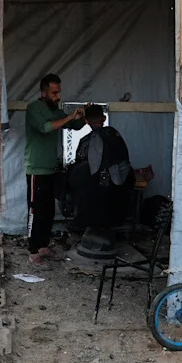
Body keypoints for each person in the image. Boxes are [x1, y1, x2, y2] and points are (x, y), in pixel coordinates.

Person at [25, 73, 86, 268]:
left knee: (48, 211)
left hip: (51, 169)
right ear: (44, 92)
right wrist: (68, 117)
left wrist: (81, 116)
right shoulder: (34, 108)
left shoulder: (55, 110)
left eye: (59, 92)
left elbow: (73, 126)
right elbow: (45, 127)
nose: (58, 96)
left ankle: (42, 246)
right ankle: (33, 252)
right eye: (54, 93)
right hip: (36, 169)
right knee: (36, 211)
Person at [68, 104, 134, 229]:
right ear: (104, 118)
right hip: (116, 210)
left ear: (86, 121)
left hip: (90, 212)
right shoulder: (115, 136)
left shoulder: (85, 142)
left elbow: (77, 172)